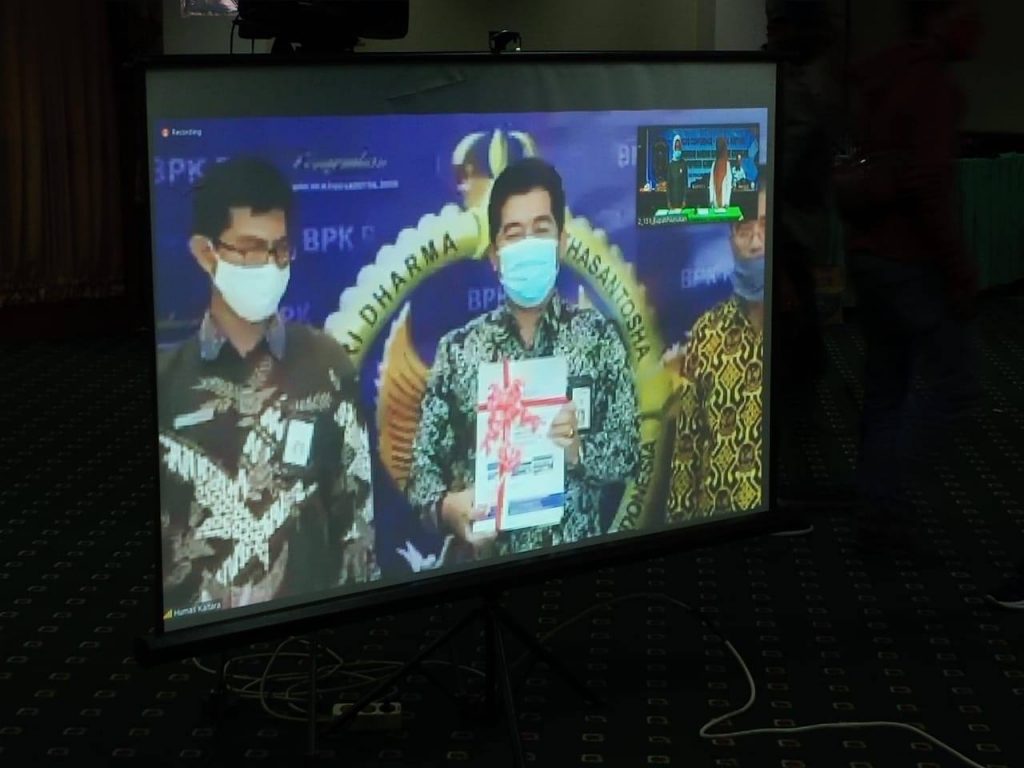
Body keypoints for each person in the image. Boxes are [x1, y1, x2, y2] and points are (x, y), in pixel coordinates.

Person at [157, 157, 377, 615]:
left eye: (279, 249)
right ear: (206, 253)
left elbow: (356, 520)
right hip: (196, 636)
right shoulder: (166, 381)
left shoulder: (327, 364)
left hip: (312, 630)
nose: (271, 265)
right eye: (251, 249)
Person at [406, 157, 640, 561]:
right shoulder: (459, 351)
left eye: (541, 230)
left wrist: (579, 452)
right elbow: (420, 472)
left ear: (561, 243)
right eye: (514, 234)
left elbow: (629, 454)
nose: (529, 245)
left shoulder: (598, 339)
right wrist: (448, 509)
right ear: (495, 254)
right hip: (484, 569)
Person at [843, 0, 983, 553]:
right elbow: (928, 189)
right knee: (956, 383)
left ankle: (874, 507)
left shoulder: (882, 73)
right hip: (911, 262)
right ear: (939, 17)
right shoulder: (931, 86)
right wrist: (959, 271)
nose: (978, 27)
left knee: (886, 386)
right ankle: (885, 496)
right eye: (968, 12)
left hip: (869, 256)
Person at [665, 185, 767, 520]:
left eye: (765, 227)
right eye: (744, 230)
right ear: (731, 241)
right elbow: (687, 448)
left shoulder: (797, 328)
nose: (756, 243)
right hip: (717, 523)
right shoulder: (708, 331)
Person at [709, 136, 734, 209]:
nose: (718, 148)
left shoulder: (727, 165)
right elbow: (711, 183)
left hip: (724, 203)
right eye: (717, 146)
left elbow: (729, 185)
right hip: (715, 203)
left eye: (720, 146)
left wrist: (727, 202)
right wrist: (711, 200)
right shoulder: (714, 164)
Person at [666, 133, 689, 210]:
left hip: (682, 202)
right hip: (672, 201)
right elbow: (668, 185)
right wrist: (668, 202)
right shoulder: (670, 164)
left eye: (679, 147)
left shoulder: (684, 163)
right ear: (673, 148)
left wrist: (684, 200)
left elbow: (685, 184)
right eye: (676, 147)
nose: (678, 149)